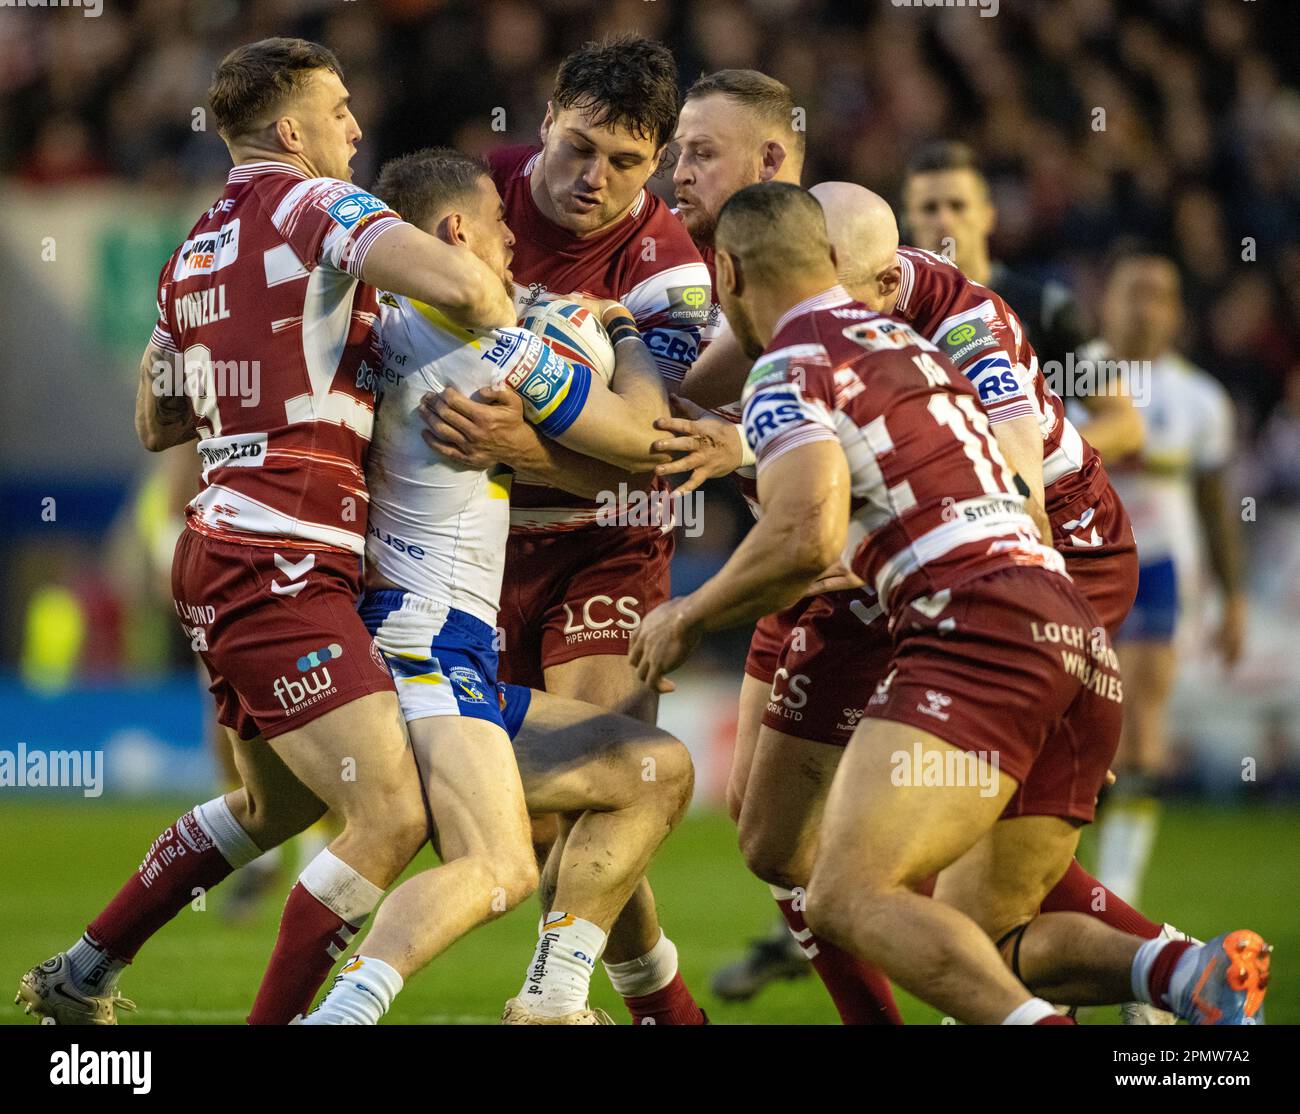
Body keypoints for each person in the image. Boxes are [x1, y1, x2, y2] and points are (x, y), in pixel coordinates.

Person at [631, 182, 1270, 1026]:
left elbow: (803, 536)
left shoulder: (791, 364)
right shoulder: (920, 344)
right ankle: (1187, 974)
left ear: (731, 275)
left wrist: (689, 613)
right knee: (988, 933)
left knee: (846, 895)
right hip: (1071, 626)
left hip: (976, 630)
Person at [17, 37, 515, 1026]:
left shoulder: (191, 249)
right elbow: (463, 288)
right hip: (282, 555)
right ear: (290, 130)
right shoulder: (316, 204)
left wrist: (263, 373)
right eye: (339, 110)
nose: (357, 128)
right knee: (390, 813)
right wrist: (496, 319)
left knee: (271, 808)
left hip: (219, 544)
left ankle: (81, 973)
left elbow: (155, 421)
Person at [418, 34, 712, 1025]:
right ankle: (666, 1004)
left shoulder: (668, 274)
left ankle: (552, 995)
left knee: (612, 772)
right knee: (549, 813)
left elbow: (653, 446)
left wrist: (522, 449)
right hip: (475, 537)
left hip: (609, 537)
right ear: (545, 120)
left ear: (659, 159)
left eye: (625, 162)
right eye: (578, 146)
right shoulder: (471, 197)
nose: (593, 178)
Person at [1083, 252, 1246, 907]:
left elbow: (1214, 500)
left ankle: (1117, 893)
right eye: (1133, 292)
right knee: (1061, 728)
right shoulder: (1064, 369)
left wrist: (1233, 597)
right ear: (1107, 300)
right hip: (1075, 564)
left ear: (1176, 312)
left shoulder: (1201, 399)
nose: (1144, 308)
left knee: (1139, 726)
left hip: (1157, 567)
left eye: (1159, 296)